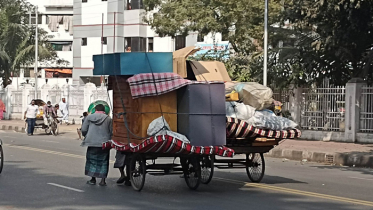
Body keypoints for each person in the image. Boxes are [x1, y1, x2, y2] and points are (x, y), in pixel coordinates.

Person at [81, 104, 112, 186]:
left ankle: (93, 179)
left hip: (92, 143)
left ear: (95, 109)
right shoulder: (108, 119)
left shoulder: (89, 117)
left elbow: (84, 130)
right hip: (104, 144)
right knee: (104, 161)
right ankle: (102, 180)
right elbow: (111, 131)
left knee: (92, 161)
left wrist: (87, 136)